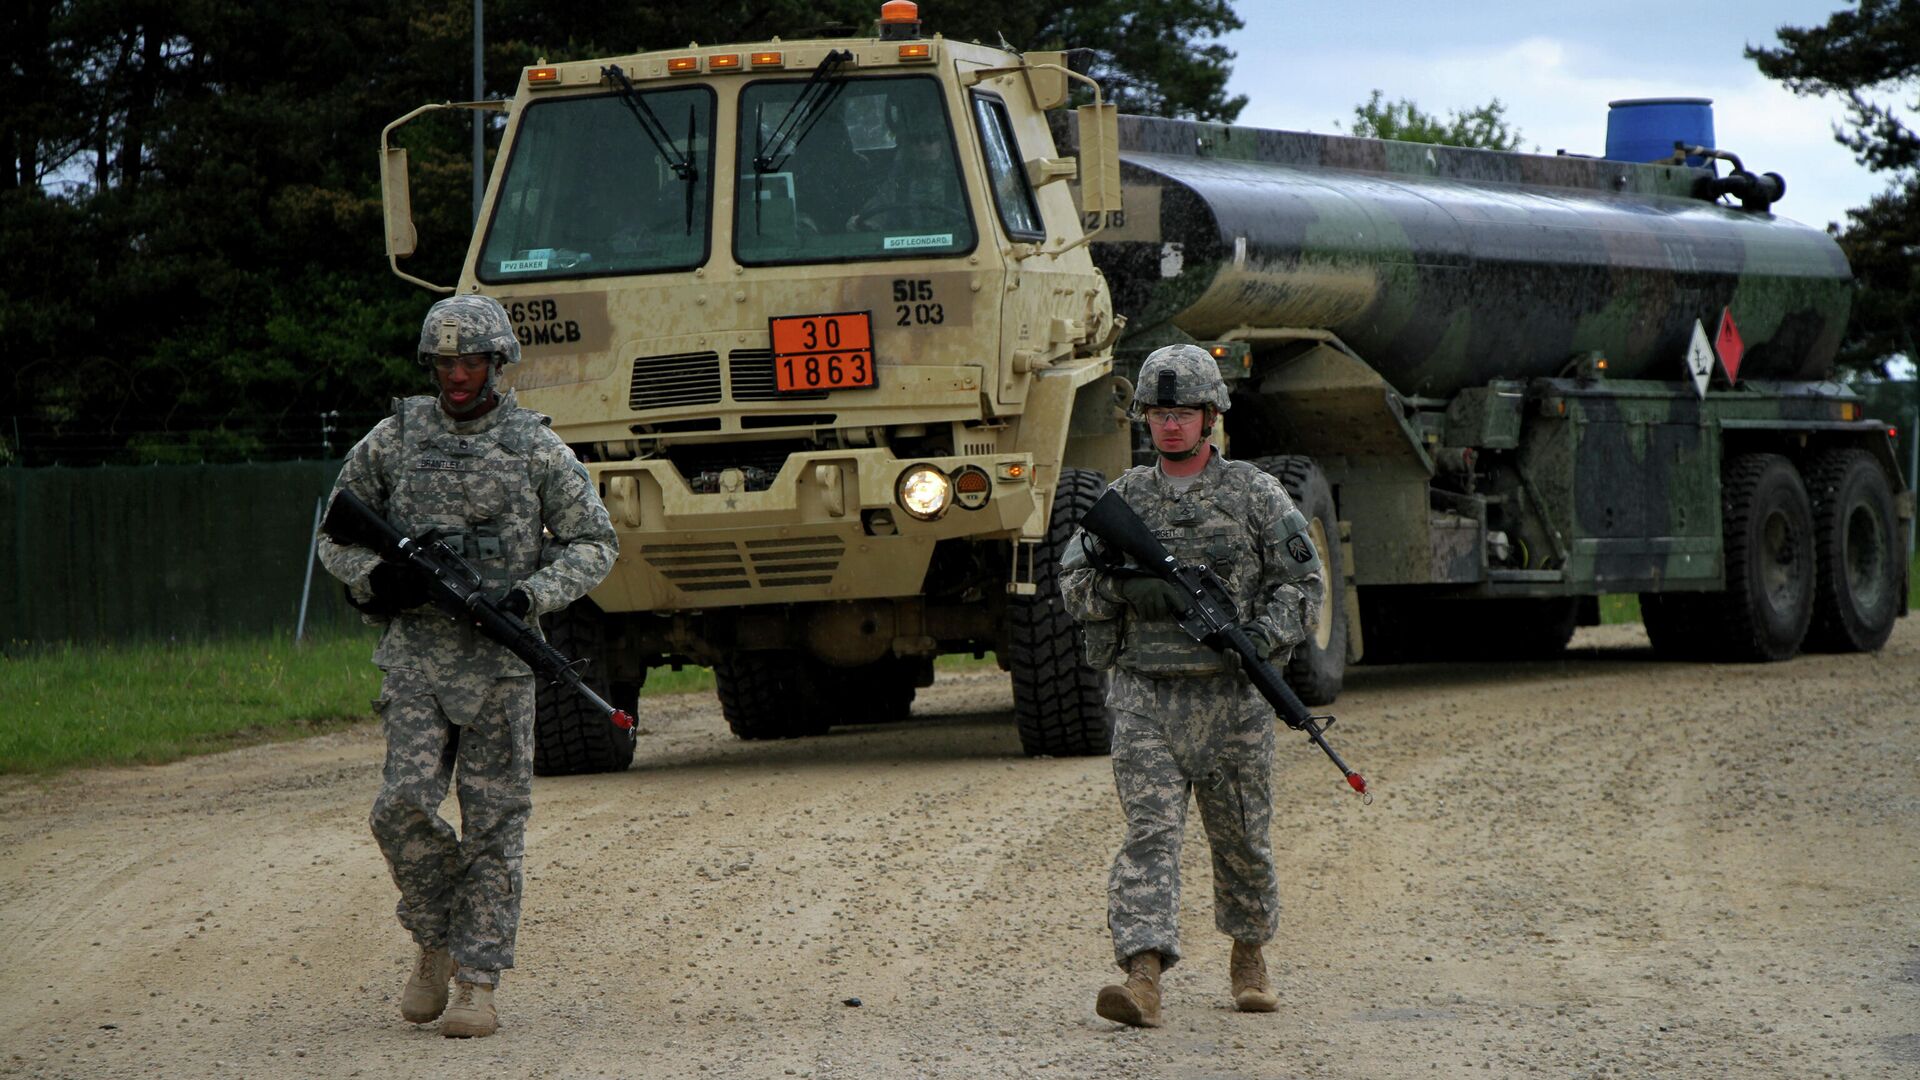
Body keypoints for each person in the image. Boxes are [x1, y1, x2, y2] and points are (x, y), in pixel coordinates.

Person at [318, 294, 618, 1038]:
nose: (457, 374)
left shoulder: (532, 445)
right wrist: (373, 580)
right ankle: (435, 938)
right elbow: (335, 531)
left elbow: (595, 542)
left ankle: (476, 982)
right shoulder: (394, 439)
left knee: (494, 826)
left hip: (499, 667)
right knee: (401, 809)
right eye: (446, 361)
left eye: (471, 360)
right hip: (417, 661)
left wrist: (528, 594)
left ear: (497, 362)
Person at [1060, 343, 1325, 1028]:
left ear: (1211, 417)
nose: (1170, 426)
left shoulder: (1254, 494)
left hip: (1232, 697)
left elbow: (1301, 583)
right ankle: (1142, 975)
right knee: (1150, 832)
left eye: (1184, 413)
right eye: (1158, 413)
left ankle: (1248, 954)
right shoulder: (1124, 500)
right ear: (1144, 419)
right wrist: (1132, 594)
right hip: (1146, 695)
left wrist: (1260, 640)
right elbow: (1073, 584)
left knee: (1241, 837)